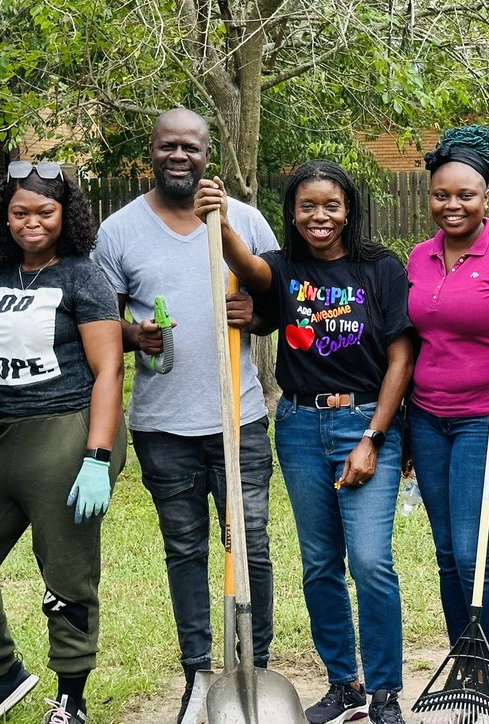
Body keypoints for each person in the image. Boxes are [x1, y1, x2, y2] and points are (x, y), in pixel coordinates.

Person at [196, 160, 413, 724]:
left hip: (364, 421)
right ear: (291, 212)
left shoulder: (380, 268)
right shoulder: (284, 267)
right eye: (308, 206)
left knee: (370, 562)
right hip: (296, 426)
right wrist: (219, 222)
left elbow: (400, 358)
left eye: (332, 205)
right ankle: (345, 685)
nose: (320, 216)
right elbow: (245, 265)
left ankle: (386, 691)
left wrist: (373, 437)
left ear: (349, 211)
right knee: (320, 563)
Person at [92, 107, 278, 720]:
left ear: (207, 152)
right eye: (168, 146)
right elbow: (101, 325)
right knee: (185, 548)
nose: (179, 156)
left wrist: (257, 314)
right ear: (152, 152)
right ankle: (199, 673)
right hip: (162, 424)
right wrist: (131, 332)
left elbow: (279, 302)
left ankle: (253, 668)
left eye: (190, 147)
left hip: (240, 416)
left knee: (248, 545)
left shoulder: (243, 220)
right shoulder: (118, 231)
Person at [0, 161, 125, 724]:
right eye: (20, 212)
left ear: (66, 216)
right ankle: (3, 675)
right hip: (10, 433)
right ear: (4, 215)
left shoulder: (82, 275)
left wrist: (96, 457)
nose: (32, 222)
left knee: (65, 571)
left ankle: (72, 697)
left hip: (71, 428)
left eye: (45, 212)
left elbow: (109, 370)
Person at [405, 126, 489, 699]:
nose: (452, 205)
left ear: (486, 197)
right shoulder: (417, 257)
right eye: (442, 195)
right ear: (430, 197)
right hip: (426, 417)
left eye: (465, 195)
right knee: (445, 554)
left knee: (472, 552)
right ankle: (466, 663)